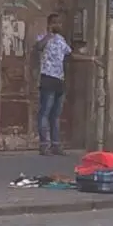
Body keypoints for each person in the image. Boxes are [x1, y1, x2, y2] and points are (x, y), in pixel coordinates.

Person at [33, 13, 72, 155]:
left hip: (59, 80)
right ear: (50, 23)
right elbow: (38, 47)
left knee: (55, 115)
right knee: (45, 112)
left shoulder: (61, 40)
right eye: (55, 22)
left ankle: (56, 144)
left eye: (60, 23)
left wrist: (91, 58)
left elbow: (70, 54)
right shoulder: (43, 37)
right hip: (47, 78)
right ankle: (44, 145)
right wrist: (49, 34)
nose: (58, 25)